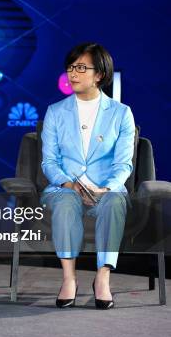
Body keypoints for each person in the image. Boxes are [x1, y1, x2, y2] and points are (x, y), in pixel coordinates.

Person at [41, 43, 135, 309]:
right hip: (66, 187)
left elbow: (124, 164)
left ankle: (102, 278)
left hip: (106, 189)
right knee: (66, 201)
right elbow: (49, 162)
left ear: (100, 75)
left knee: (114, 201)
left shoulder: (120, 113)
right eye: (71, 67)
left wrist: (107, 188)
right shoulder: (55, 112)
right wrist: (68, 183)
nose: (73, 73)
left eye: (81, 67)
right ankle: (68, 278)